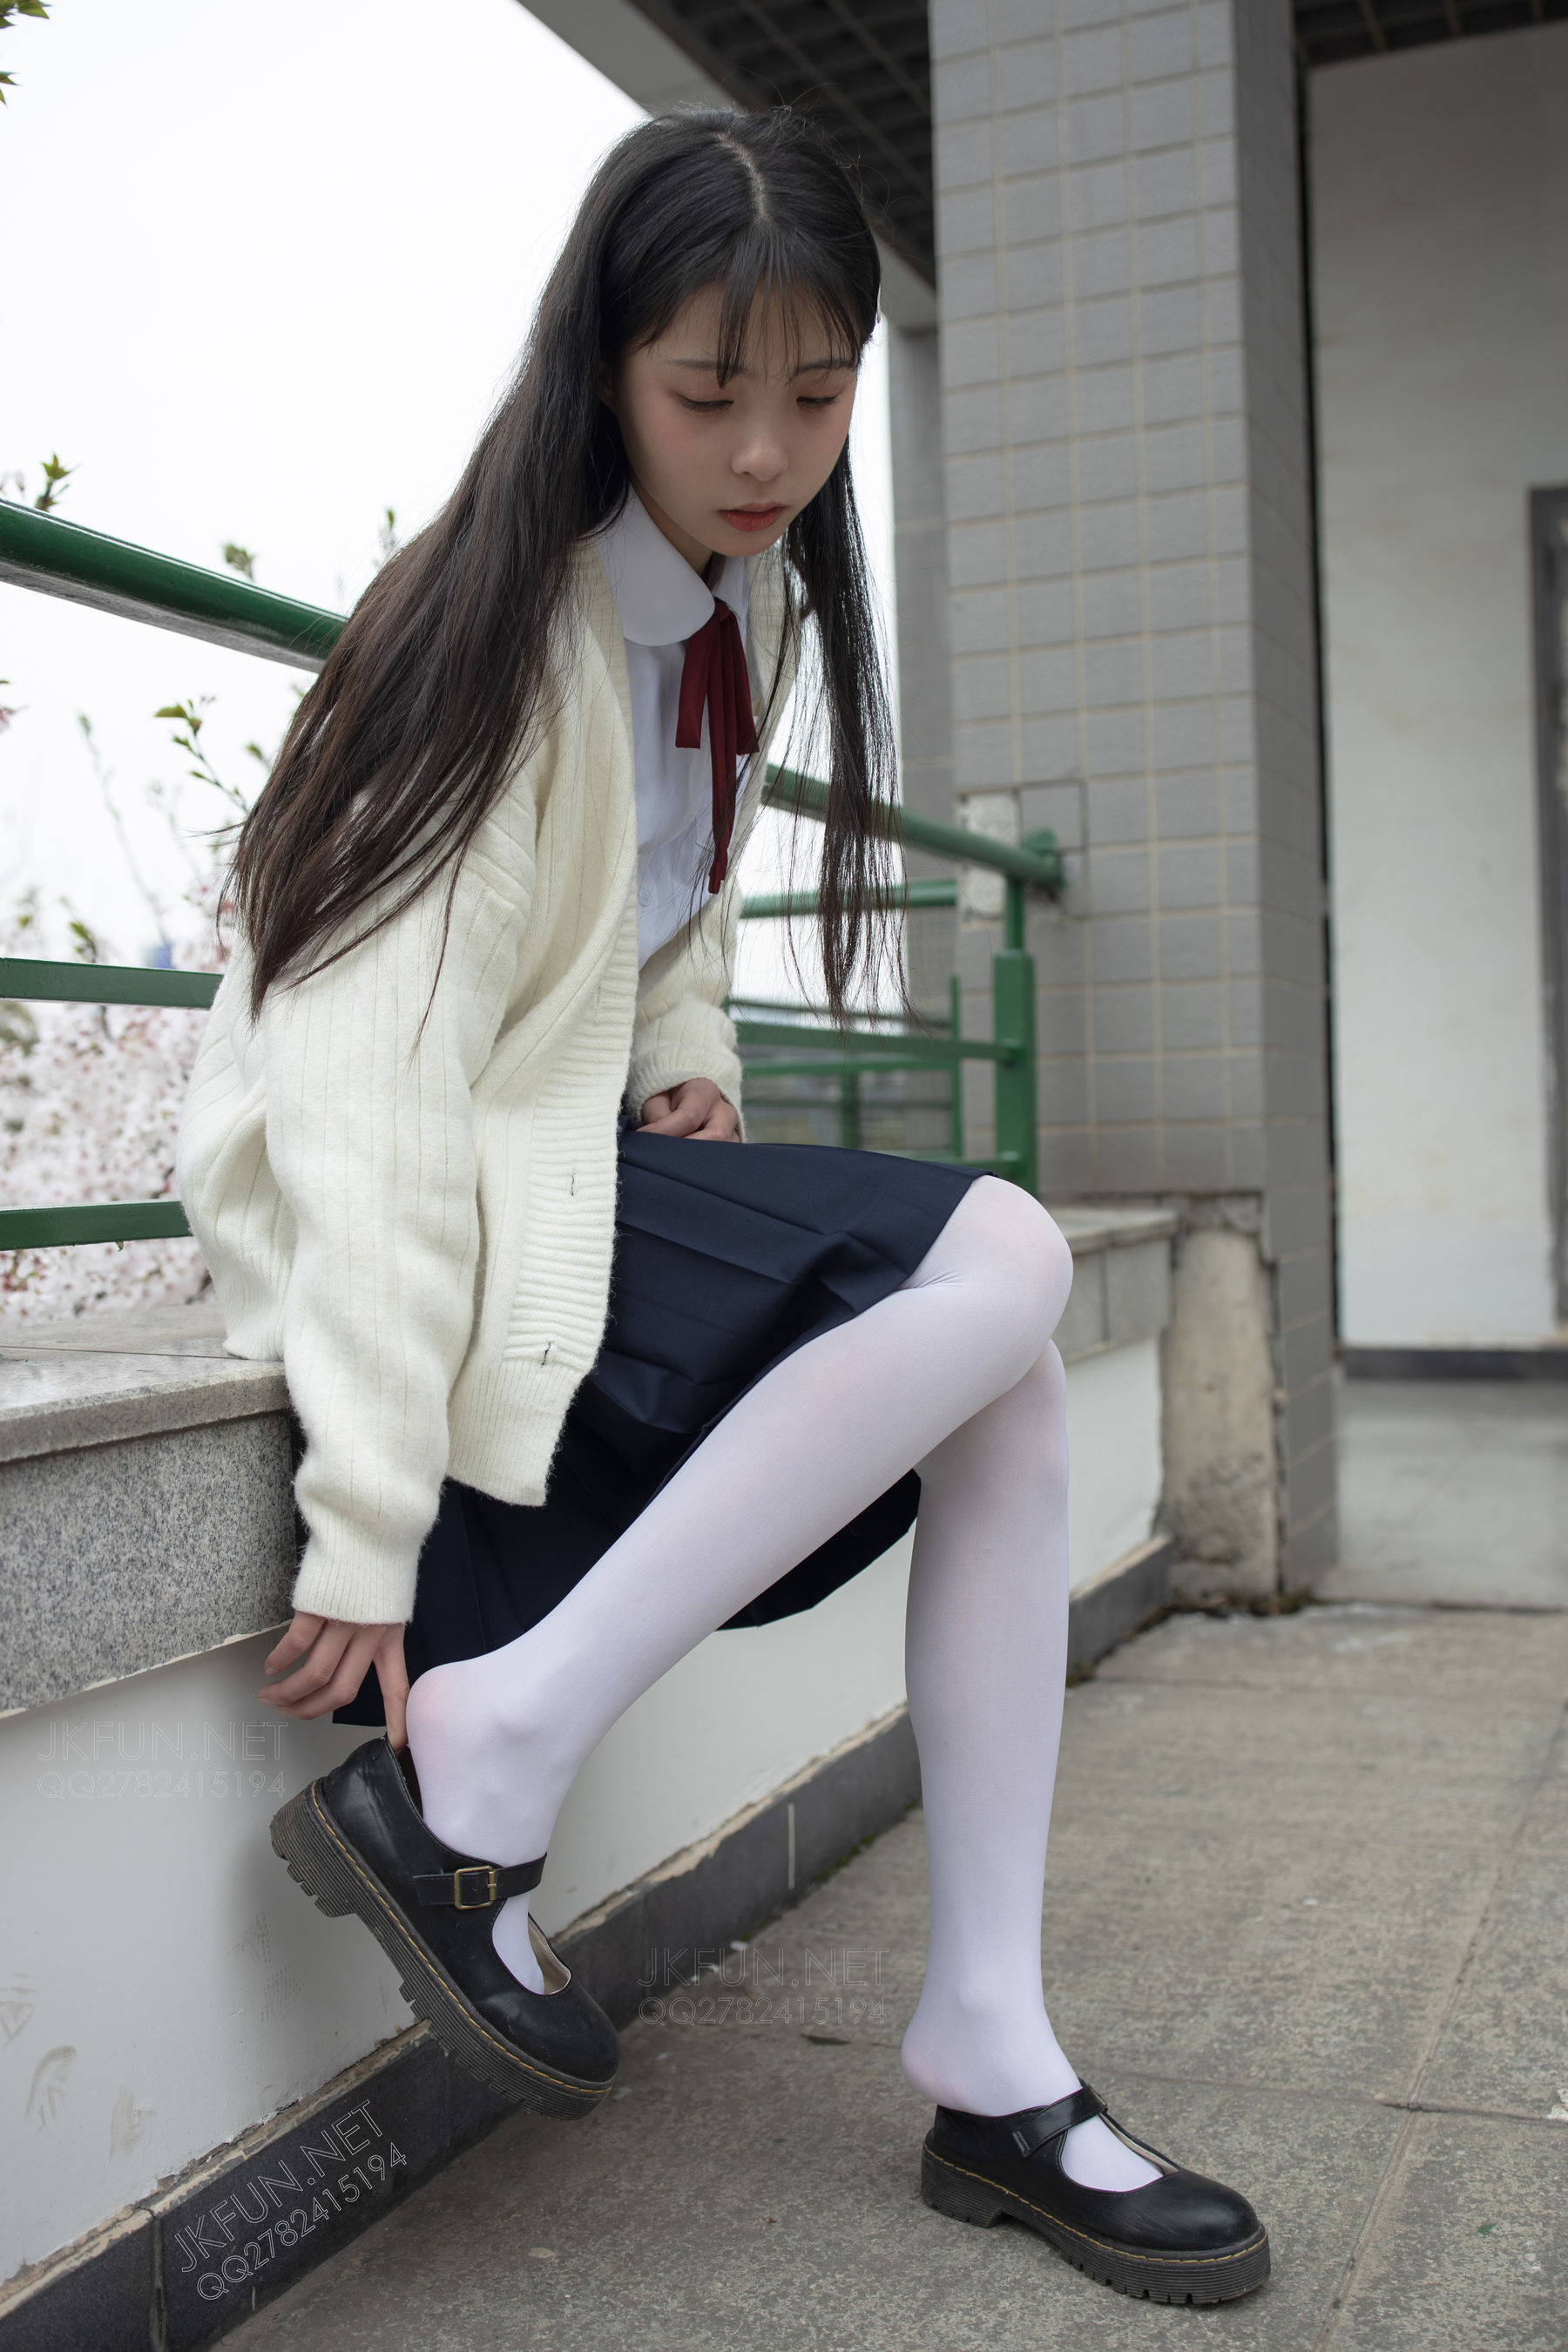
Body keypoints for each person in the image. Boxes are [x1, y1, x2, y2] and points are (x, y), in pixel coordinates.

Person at [178, 105, 1268, 2308]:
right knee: (1003, 1249)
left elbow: (652, 911)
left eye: (819, 389)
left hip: (559, 1184)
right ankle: (497, 1741)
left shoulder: (720, 598)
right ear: (602, 370)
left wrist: (692, 1051)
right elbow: (358, 1097)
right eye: (707, 391)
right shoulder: (481, 638)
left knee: (1004, 1381)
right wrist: (367, 1523)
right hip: (430, 1237)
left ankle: (991, 2044)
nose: (768, 449)